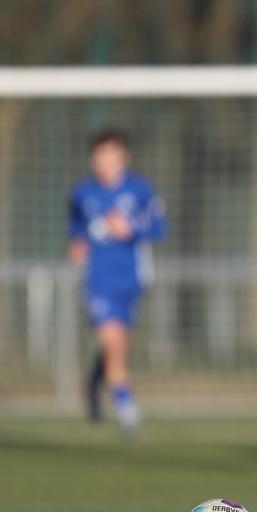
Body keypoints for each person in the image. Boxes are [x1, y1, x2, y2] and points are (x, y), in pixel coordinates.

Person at [68, 130, 167, 436]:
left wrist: (130, 229)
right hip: (98, 281)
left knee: (118, 351)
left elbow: (160, 228)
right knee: (113, 346)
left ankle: (94, 383)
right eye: (99, 154)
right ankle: (128, 412)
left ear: (123, 156)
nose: (103, 160)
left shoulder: (141, 190)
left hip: (132, 279)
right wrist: (77, 243)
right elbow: (75, 228)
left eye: (110, 153)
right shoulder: (83, 193)